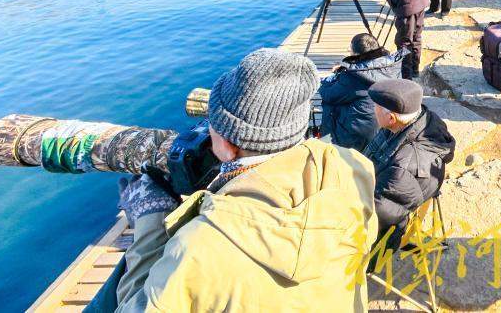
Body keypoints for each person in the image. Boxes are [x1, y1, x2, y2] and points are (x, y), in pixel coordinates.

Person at [111, 48, 378, 312]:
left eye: (211, 127)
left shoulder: (197, 247)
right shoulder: (353, 168)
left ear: (227, 147)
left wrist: (149, 222)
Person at [362, 79, 455, 251]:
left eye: (375, 106)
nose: (373, 109)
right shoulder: (423, 120)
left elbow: (371, 217)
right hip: (387, 193)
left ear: (391, 118)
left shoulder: (402, 170)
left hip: (377, 242)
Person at [320, 33, 405, 151]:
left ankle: (327, 143)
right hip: (387, 129)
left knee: (329, 103)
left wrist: (329, 79)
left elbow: (328, 94)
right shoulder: (393, 66)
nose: (348, 51)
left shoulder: (353, 77)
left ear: (357, 54)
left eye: (350, 50)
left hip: (358, 138)